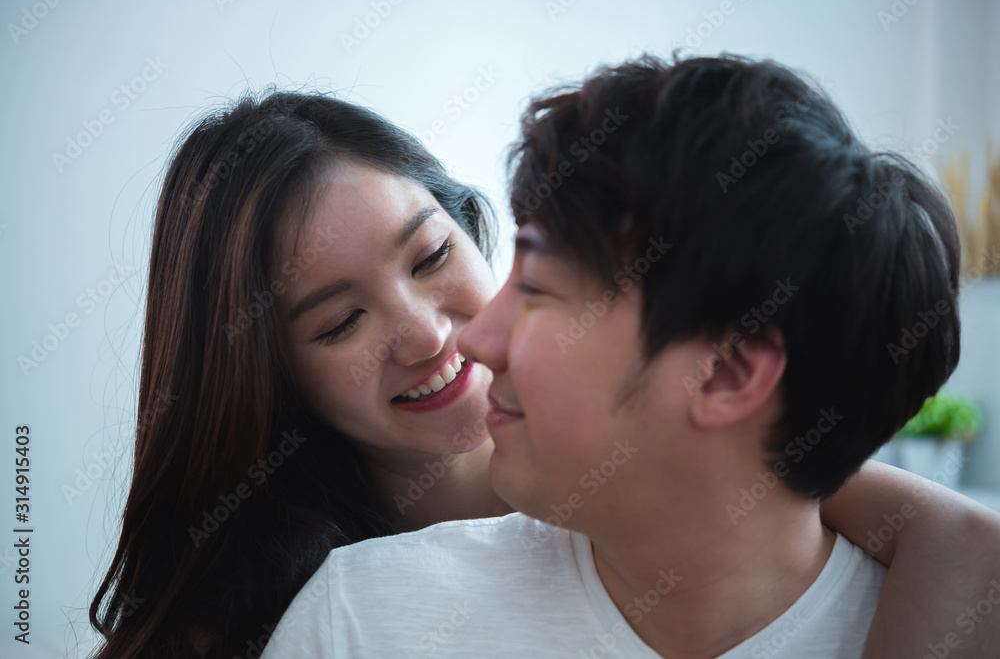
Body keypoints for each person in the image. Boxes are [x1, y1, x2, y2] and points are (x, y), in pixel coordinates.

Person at [92, 81, 999, 659]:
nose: (441, 338)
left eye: (431, 255)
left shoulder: (739, 485)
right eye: (338, 323)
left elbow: (941, 534)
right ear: (271, 380)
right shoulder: (344, 609)